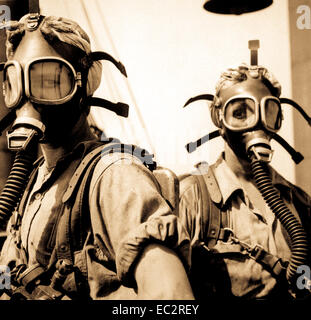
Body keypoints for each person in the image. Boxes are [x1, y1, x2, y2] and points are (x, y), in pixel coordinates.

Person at [0, 13, 194, 300]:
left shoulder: (115, 174)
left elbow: (172, 300)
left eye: (49, 81)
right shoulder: (33, 181)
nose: (30, 98)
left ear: (85, 84)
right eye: (16, 82)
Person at [179, 63, 311, 299]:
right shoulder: (192, 198)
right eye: (239, 113)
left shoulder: (300, 202)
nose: (256, 124)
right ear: (219, 120)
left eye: (267, 112)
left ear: (277, 119)